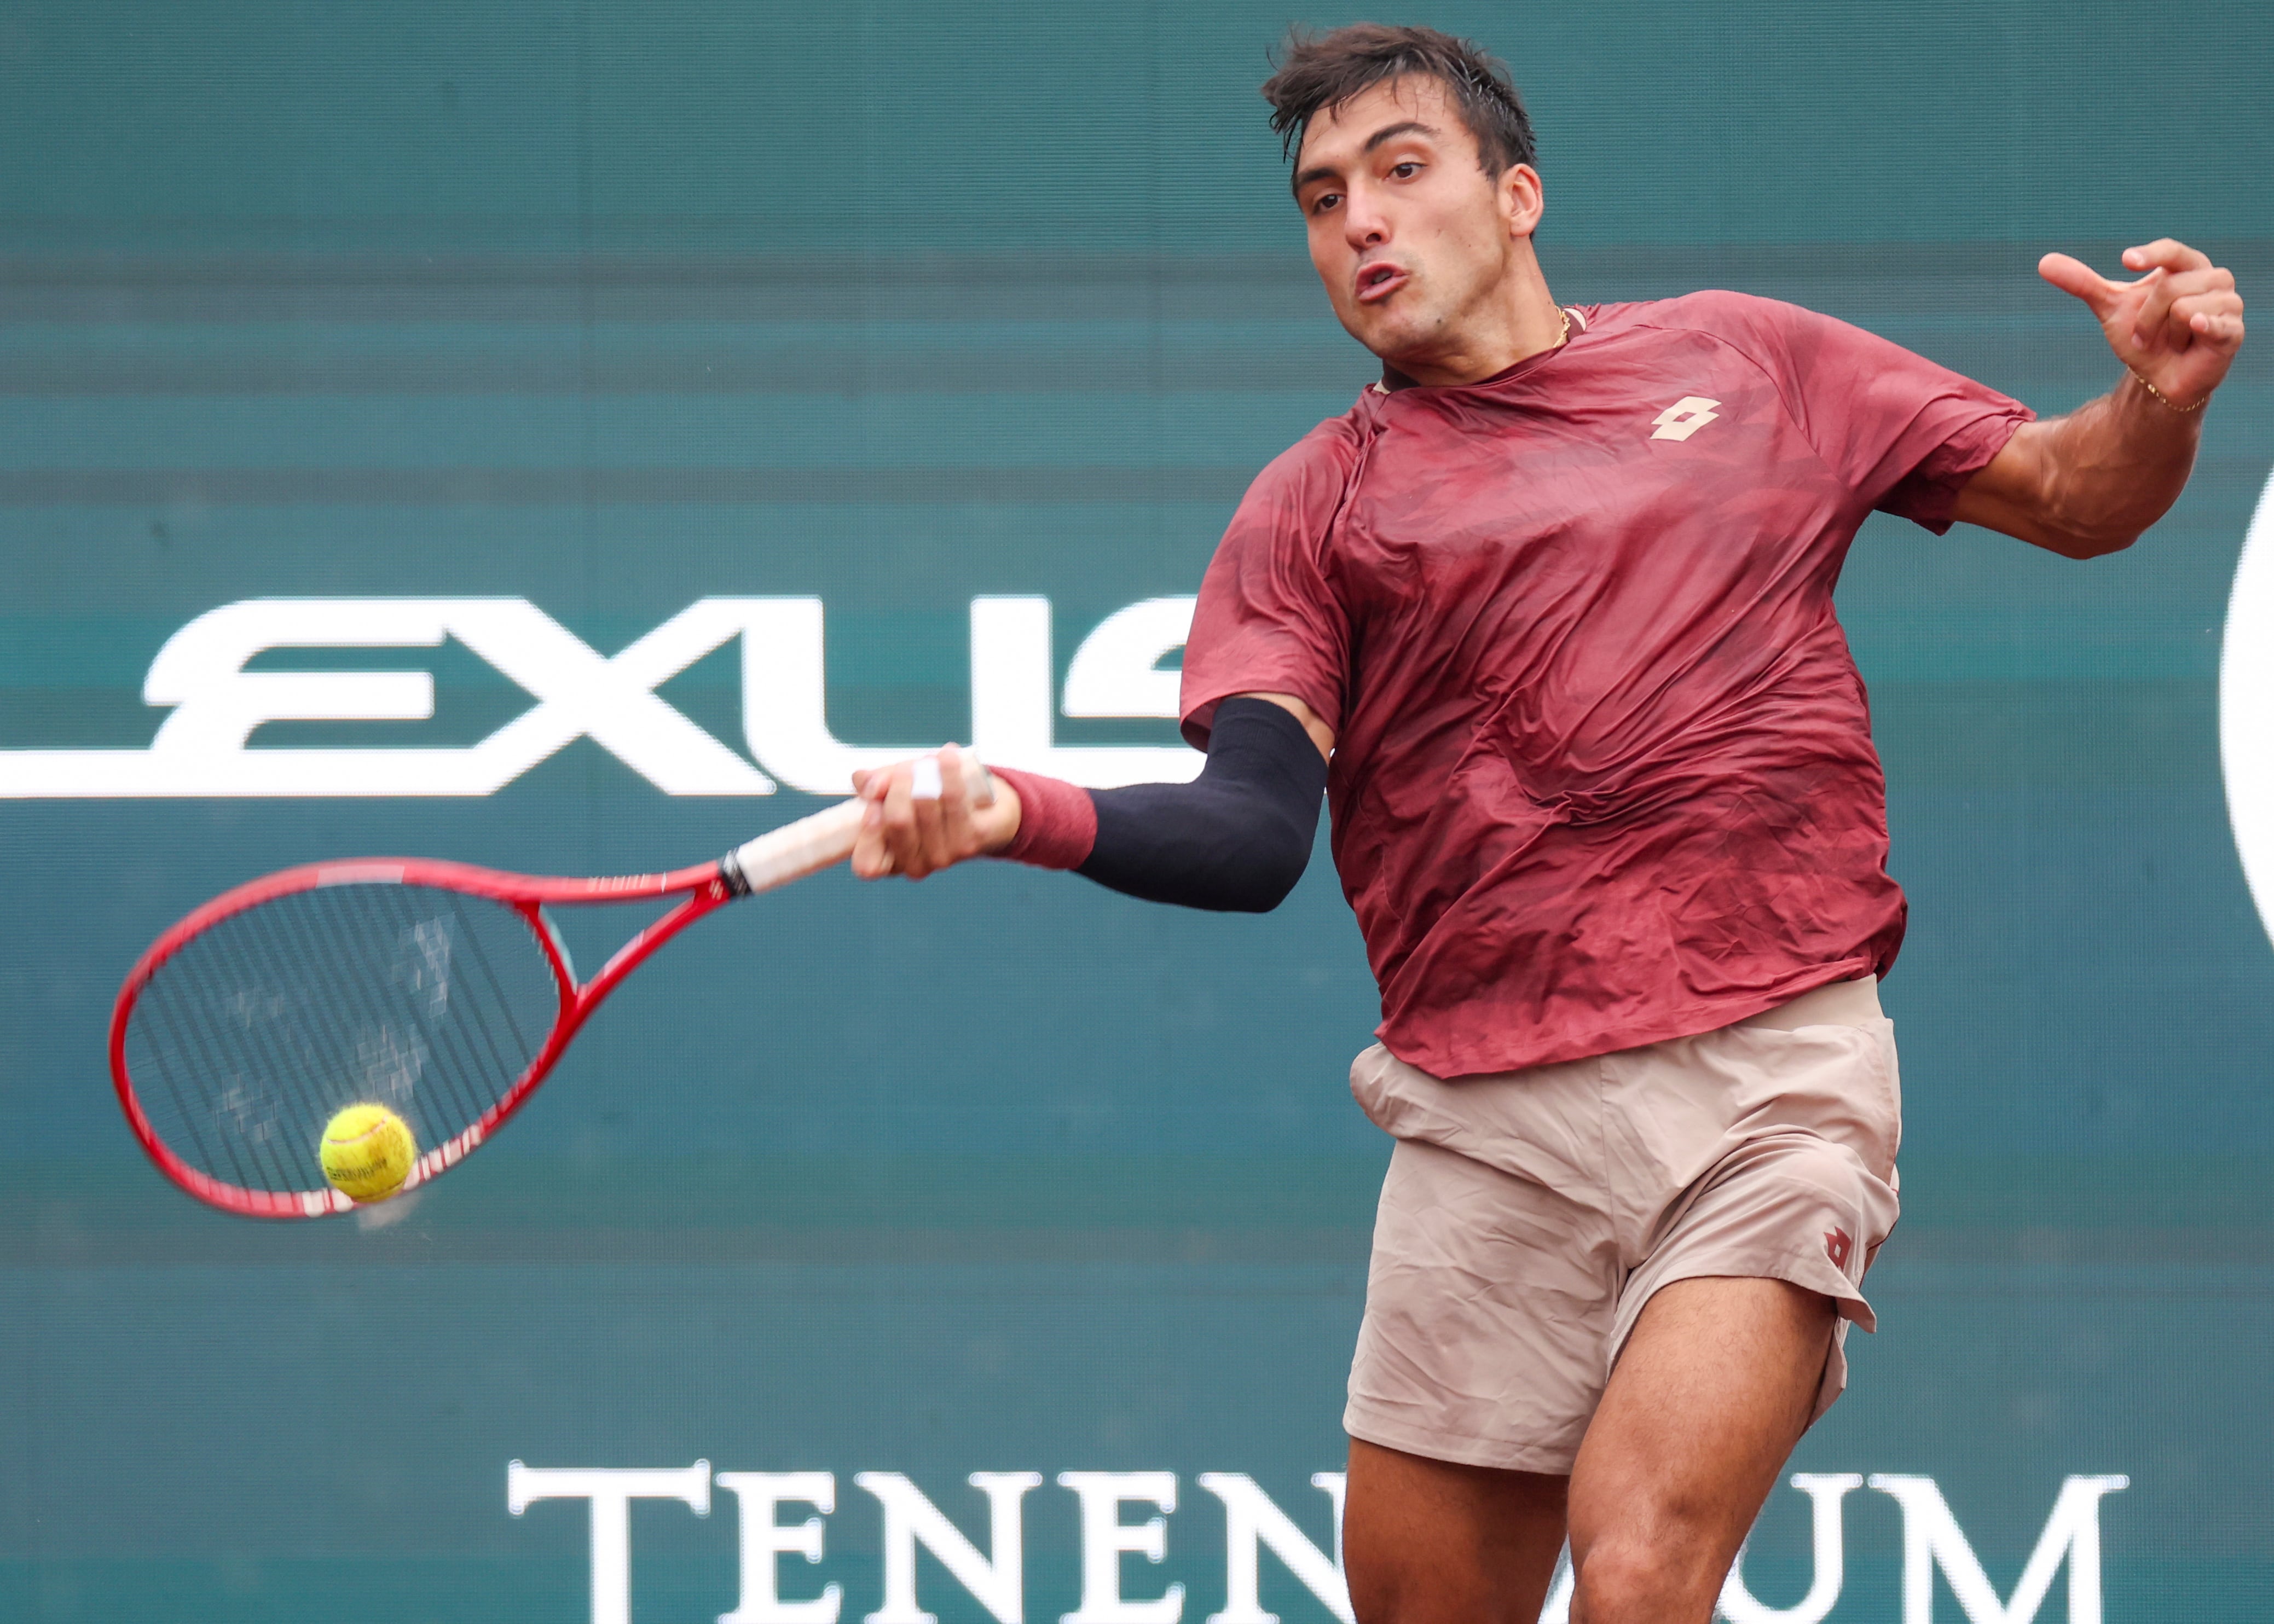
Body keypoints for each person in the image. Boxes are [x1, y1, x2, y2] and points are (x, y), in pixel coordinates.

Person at [844, 24, 2244, 1624]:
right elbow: (1248, 836)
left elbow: (2073, 496)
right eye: (1319, 201)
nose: (1358, 221)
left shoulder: (1752, 360)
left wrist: (2154, 400)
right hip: (1484, 1126)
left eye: (1399, 169)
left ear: (1516, 195)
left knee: (1640, 1572)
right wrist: (1008, 806)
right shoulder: (1312, 510)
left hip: (1769, 1078)